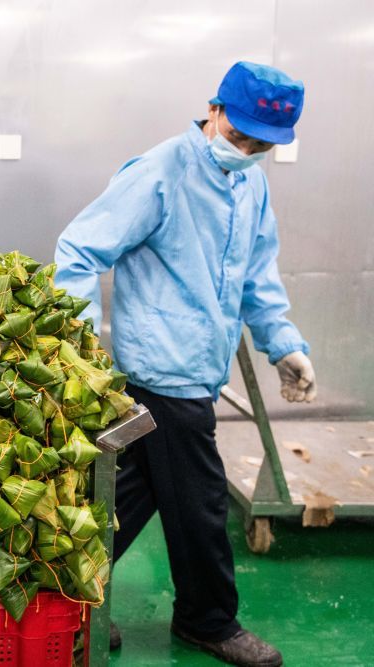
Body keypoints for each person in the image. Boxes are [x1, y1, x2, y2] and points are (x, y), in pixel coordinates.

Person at [54, 62, 317, 667]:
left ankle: (69, 596)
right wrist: (80, 346)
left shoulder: (250, 186)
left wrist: (283, 342)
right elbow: (80, 249)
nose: (245, 152)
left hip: (199, 367)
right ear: (215, 109)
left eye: (260, 147)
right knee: (200, 502)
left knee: (135, 491)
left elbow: (257, 274)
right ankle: (208, 620)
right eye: (239, 136)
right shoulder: (160, 172)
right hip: (160, 370)